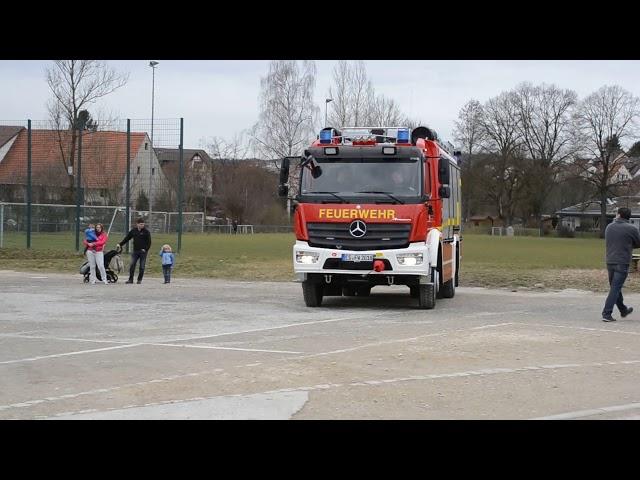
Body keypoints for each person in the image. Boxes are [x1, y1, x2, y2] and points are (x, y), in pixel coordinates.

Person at [602, 207, 640, 322]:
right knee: (615, 288)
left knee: (615, 287)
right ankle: (606, 313)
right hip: (622, 262)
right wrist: (628, 245)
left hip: (610, 260)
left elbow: (610, 240)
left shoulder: (609, 227)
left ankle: (623, 310)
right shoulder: (632, 229)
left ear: (618, 215)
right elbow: (638, 243)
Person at [117, 218, 152, 284]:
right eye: (141, 224)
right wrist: (120, 244)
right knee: (132, 265)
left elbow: (149, 242)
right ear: (137, 224)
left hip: (143, 252)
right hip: (135, 251)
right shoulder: (133, 231)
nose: (142, 225)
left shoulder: (146, 232)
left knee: (142, 266)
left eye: (143, 224)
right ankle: (131, 279)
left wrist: (145, 249)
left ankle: (139, 280)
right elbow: (127, 238)